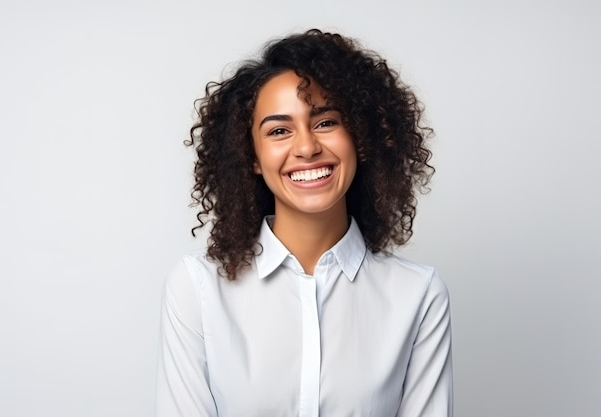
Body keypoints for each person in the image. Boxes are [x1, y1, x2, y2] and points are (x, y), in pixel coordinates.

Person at [156, 29, 452, 417]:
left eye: (326, 122)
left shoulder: (419, 295)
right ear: (253, 157)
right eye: (279, 131)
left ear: (359, 137)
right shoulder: (197, 287)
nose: (307, 147)